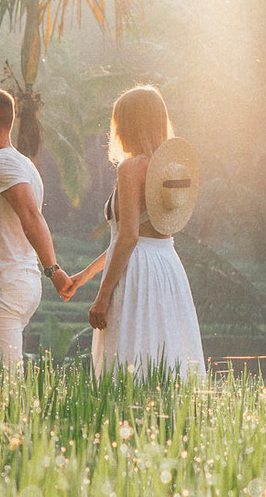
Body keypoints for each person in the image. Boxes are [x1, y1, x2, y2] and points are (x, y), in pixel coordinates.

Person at [60, 85, 205, 379]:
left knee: (129, 360)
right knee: (164, 354)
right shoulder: (168, 170)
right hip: (167, 267)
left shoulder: (131, 168)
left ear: (130, 124)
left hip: (137, 271)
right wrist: (84, 276)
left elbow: (127, 238)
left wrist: (102, 297)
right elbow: (129, 237)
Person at [0, 88, 74, 373]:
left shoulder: (2, 162)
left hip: (1, 285)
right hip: (17, 282)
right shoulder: (23, 163)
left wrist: (54, 270)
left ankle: (20, 419)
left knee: (5, 385)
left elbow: (30, 214)